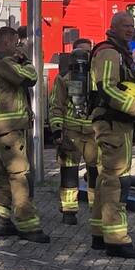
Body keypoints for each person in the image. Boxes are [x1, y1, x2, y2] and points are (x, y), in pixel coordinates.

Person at [89, 12, 135, 258]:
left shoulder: (121, 52)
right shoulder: (109, 52)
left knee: (105, 179)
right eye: (125, 26)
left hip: (116, 123)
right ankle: (117, 240)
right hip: (113, 124)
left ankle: (100, 234)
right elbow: (107, 88)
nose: (130, 30)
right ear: (113, 27)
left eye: (132, 26)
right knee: (117, 180)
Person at [0, 26, 49, 243]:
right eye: (15, 43)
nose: (17, 47)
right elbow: (30, 78)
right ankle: (28, 224)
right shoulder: (4, 62)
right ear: (6, 43)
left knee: (3, 176)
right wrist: (26, 61)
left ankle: (2, 221)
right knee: (20, 175)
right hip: (9, 128)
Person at [49, 38, 98, 226]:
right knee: (69, 173)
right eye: (81, 53)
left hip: (93, 133)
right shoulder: (64, 78)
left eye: (87, 53)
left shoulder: (97, 77)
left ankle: (96, 207)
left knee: (95, 172)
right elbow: (56, 106)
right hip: (71, 134)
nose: (83, 58)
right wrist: (57, 131)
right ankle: (69, 211)